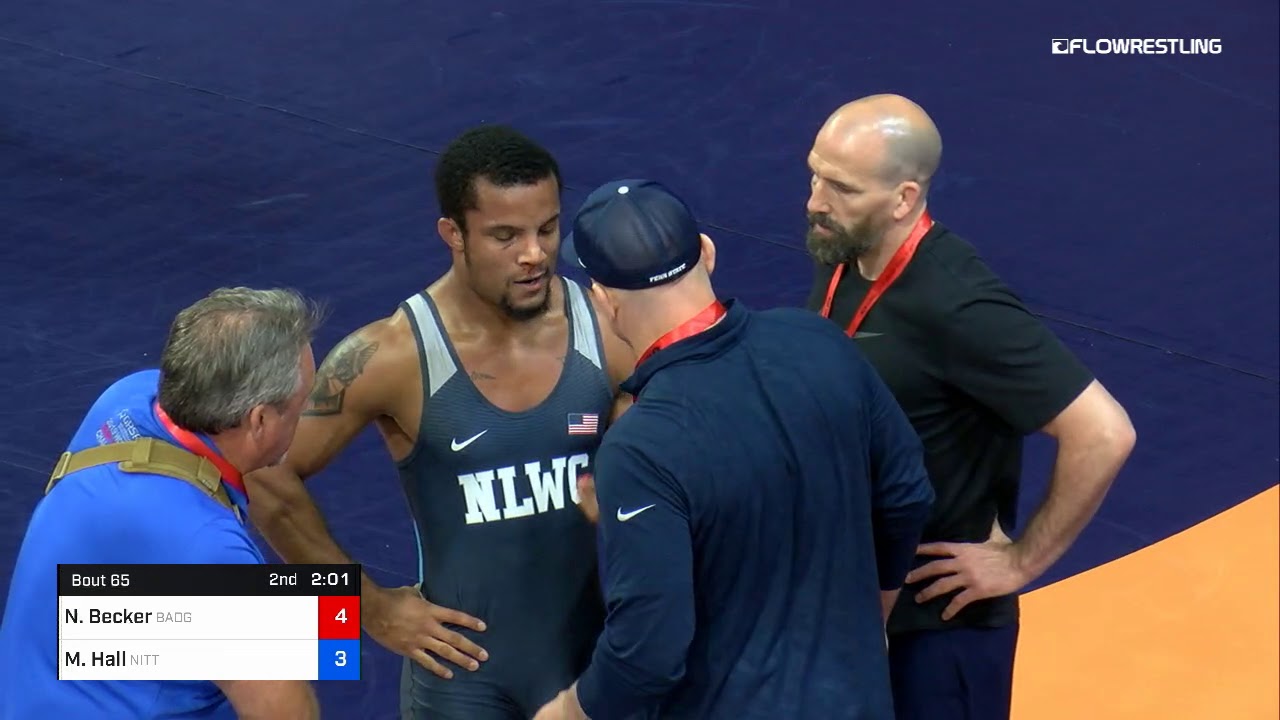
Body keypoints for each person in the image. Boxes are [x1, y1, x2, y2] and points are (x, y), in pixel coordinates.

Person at [243, 125, 635, 720]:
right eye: (505, 236)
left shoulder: (607, 329)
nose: (534, 254)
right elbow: (266, 474)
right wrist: (366, 607)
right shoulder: (391, 355)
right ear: (453, 233)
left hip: (586, 669)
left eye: (547, 229)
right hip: (457, 683)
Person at [531, 178, 936, 720]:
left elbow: (648, 652)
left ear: (602, 300)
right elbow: (907, 494)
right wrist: (874, 615)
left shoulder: (640, 449)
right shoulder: (816, 340)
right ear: (707, 252)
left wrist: (565, 713)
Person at [803, 93, 1138, 720]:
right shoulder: (846, 253)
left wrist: (1019, 561)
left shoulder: (957, 304)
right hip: (858, 609)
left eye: (841, 187)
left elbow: (1104, 431)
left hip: (939, 631)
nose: (816, 201)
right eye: (815, 174)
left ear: (904, 198)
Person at [0, 286, 324, 720]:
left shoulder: (127, 399)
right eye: (302, 406)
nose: (307, 417)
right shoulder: (208, 549)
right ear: (260, 420)